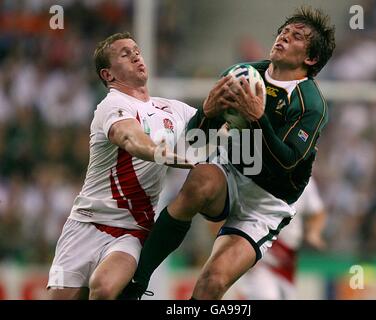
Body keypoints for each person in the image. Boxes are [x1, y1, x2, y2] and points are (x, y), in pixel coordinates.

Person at [122, 6, 336, 300]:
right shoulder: (240, 74)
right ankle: (135, 282)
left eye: (296, 36)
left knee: (213, 283)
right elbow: (194, 145)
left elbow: (286, 164)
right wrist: (206, 114)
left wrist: (258, 119)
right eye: (283, 32)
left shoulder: (311, 103)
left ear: (310, 58)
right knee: (200, 179)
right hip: (231, 171)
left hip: (267, 202)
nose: (284, 37)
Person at [47, 32, 196, 300]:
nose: (136, 55)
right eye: (125, 54)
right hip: (85, 223)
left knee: (104, 288)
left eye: (136, 50)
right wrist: (163, 154)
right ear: (108, 75)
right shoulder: (112, 104)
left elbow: (214, 127)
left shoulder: (175, 110)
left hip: (132, 228)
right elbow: (130, 138)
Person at [237, 177, 327, 300]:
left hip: (287, 258)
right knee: (266, 296)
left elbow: (317, 212)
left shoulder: (304, 178)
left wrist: (313, 233)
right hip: (260, 254)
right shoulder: (257, 174)